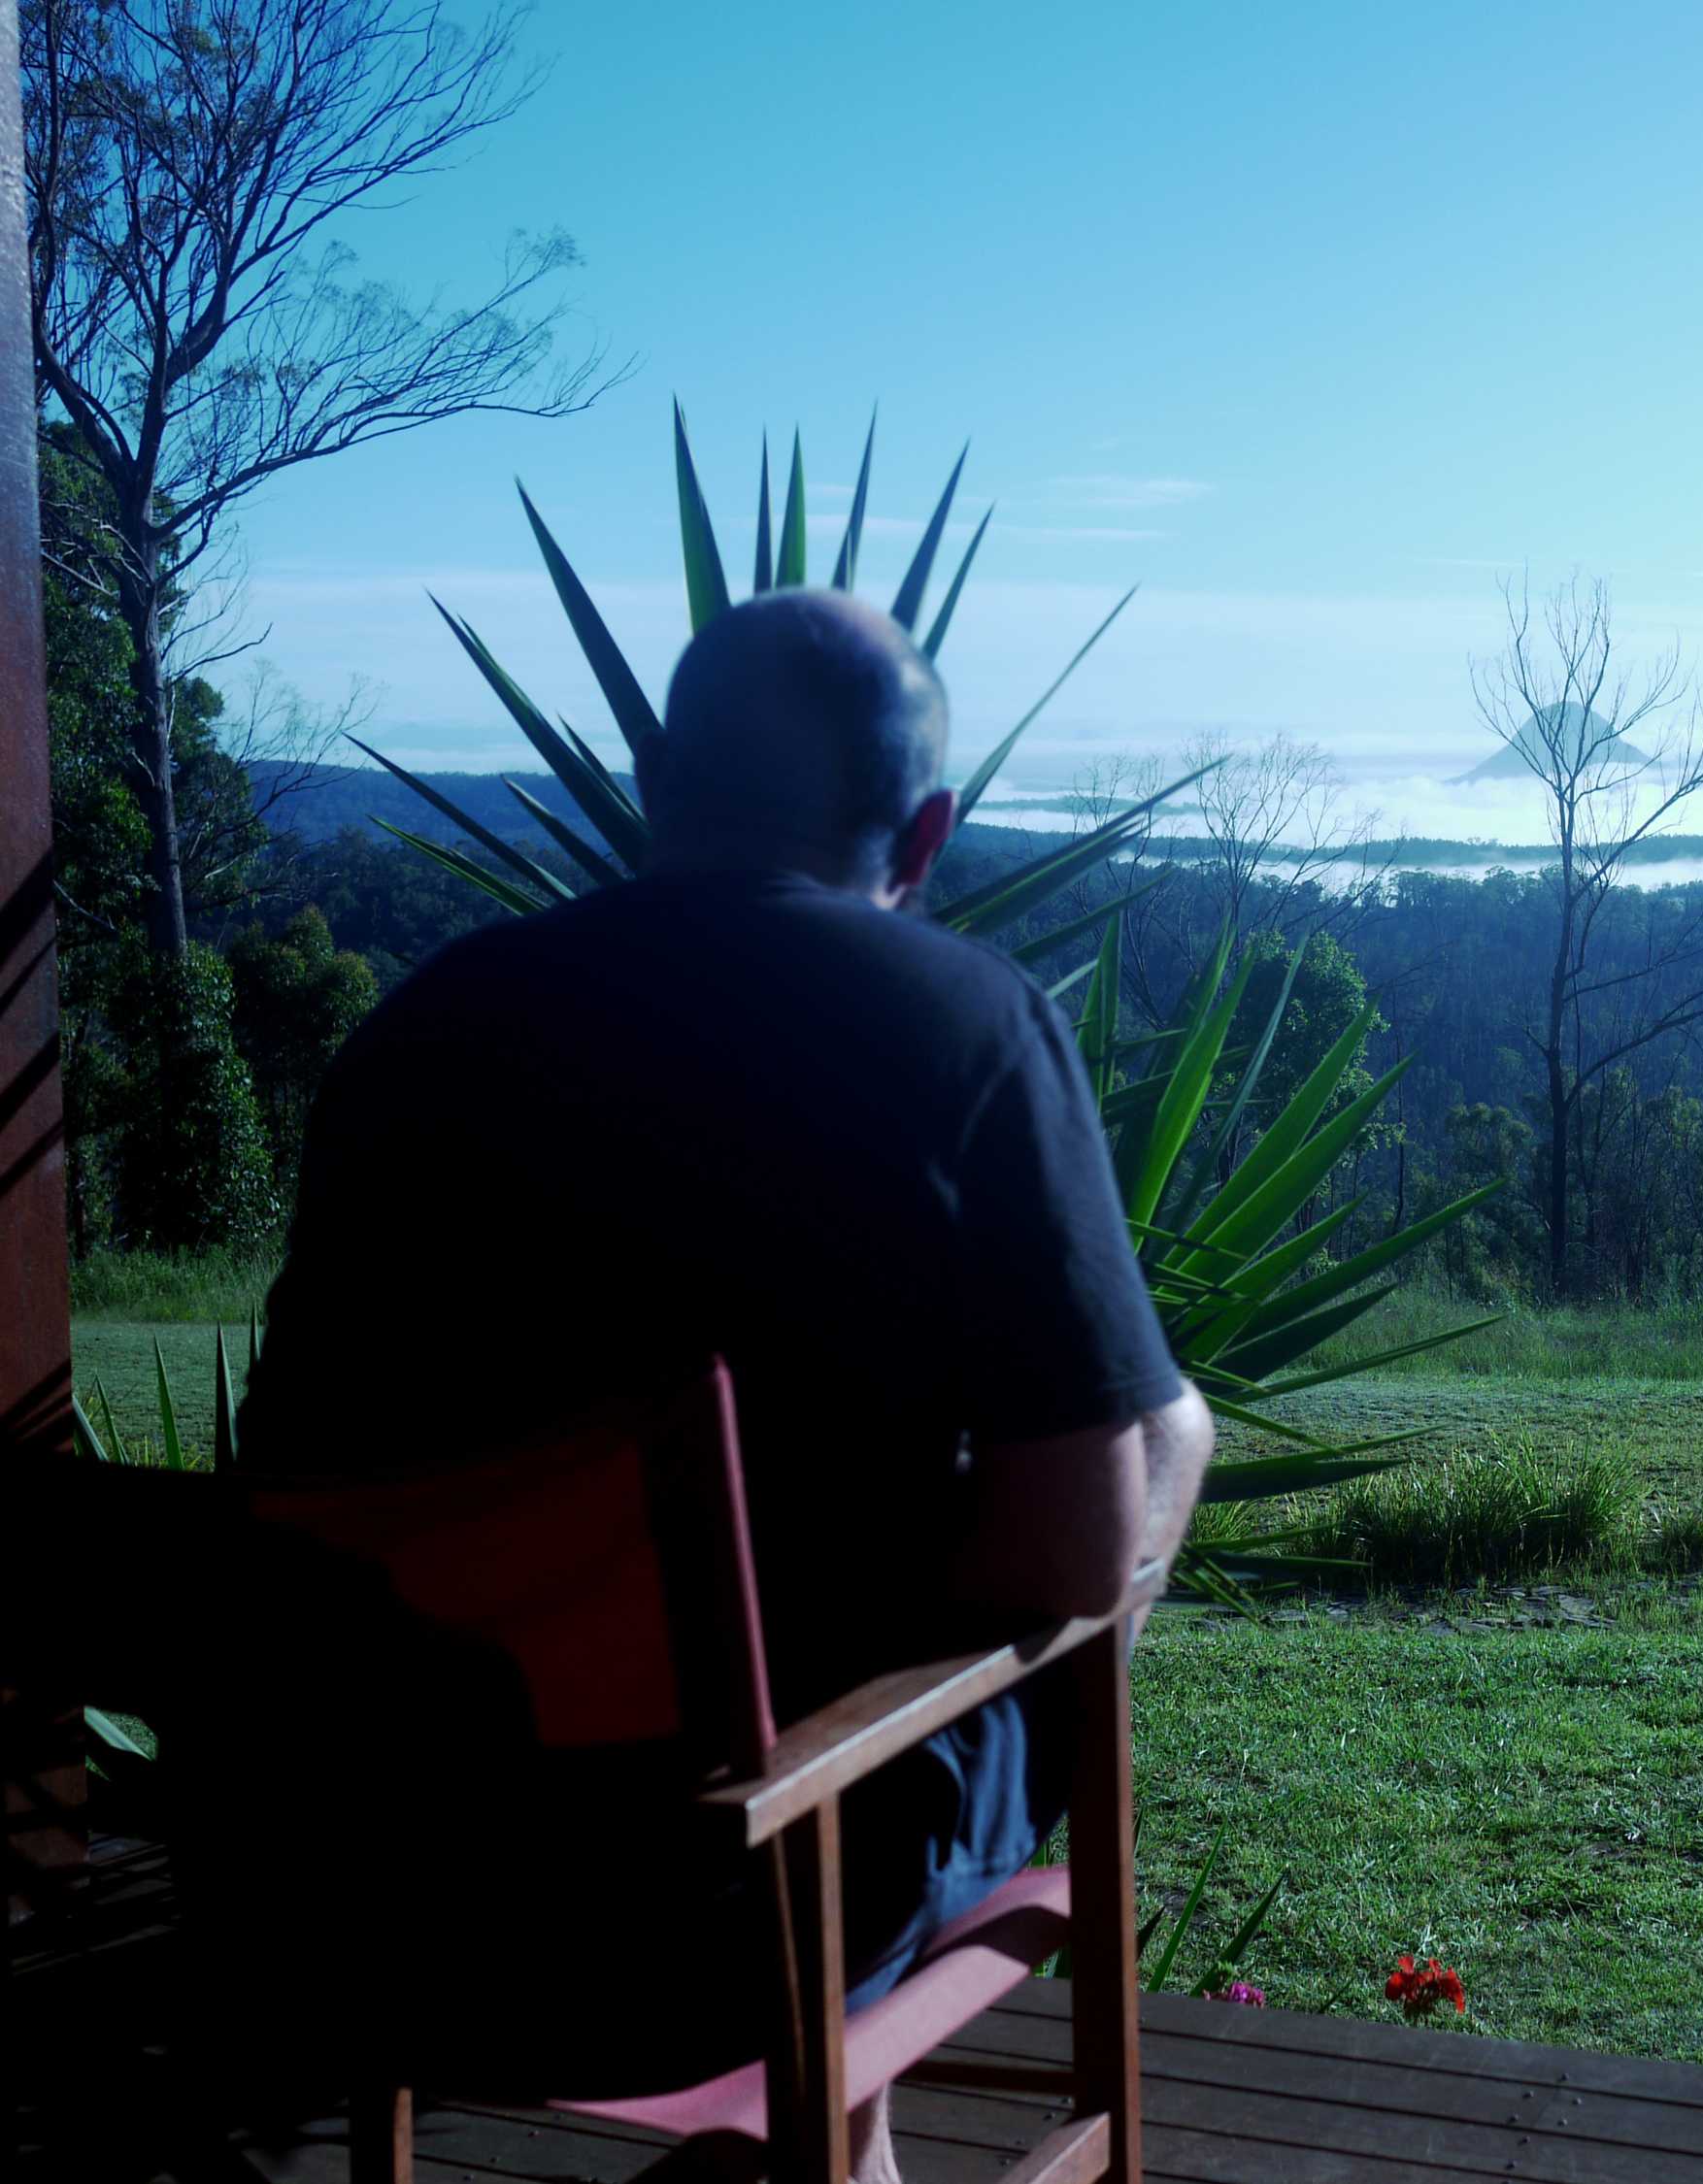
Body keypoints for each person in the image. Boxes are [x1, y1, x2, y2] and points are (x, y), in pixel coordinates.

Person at [238, 589, 1213, 2181]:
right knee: (1167, 1429)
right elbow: (1069, 1559)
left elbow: (301, 1475)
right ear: (930, 833)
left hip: (379, 1898)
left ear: (651, 781)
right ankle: (828, 2100)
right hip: (714, 1938)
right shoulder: (968, 1027)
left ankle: (844, 2133)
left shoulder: (422, 1029)